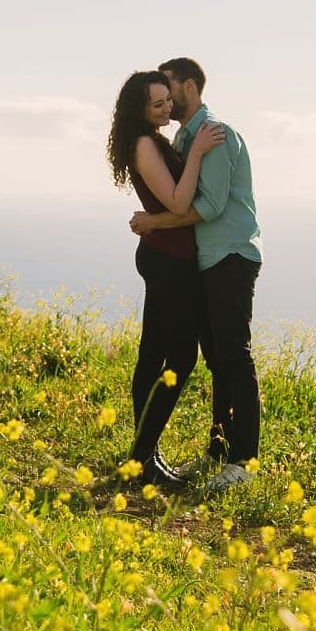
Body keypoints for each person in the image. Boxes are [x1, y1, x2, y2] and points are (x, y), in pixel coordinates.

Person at [130, 57, 263, 492]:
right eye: (158, 98)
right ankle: (219, 452)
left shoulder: (214, 134)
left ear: (189, 87)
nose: (166, 101)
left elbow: (209, 207)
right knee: (217, 359)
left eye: (169, 90)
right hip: (206, 261)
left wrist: (152, 224)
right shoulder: (186, 139)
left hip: (229, 257)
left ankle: (243, 461)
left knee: (234, 357)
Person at [105, 69, 225, 488]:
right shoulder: (143, 144)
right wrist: (196, 155)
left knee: (153, 357)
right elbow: (177, 200)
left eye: (167, 101)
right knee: (180, 360)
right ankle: (142, 457)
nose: (166, 108)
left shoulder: (152, 140)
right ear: (139, 110)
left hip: (165, 257)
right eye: (157, 104)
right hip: (168, 262)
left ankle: (143, 457)